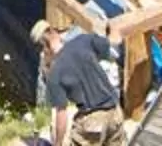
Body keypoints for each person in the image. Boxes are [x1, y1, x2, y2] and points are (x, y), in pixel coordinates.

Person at [26, 18, 125, 146]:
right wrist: (113, 26)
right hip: (115, 113)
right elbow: (113, 43)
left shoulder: (55, 73)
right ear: (55, 32)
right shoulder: (83, 40)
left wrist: (58, 143)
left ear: (44, 47)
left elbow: (61, 116)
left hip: (92, 122)